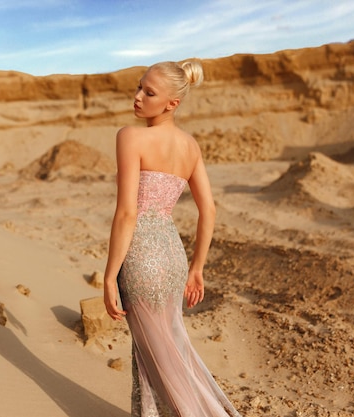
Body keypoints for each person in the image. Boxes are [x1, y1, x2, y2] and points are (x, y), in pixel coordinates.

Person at [103, 60, 242, 417]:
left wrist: (108, 275)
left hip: (140, 259)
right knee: (168, 351)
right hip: (173, 257)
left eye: (148, 93)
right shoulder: (190, 147)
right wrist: (197, 268)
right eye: (138, 87)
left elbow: (127, 213)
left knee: (161, 363)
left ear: (171, 104)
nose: (137, 97)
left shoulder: (130, 136)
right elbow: (208, 209)